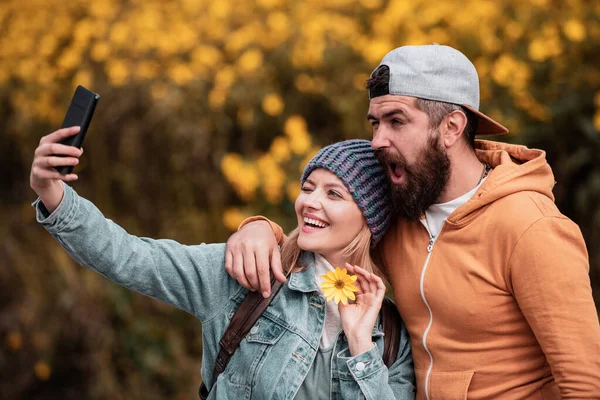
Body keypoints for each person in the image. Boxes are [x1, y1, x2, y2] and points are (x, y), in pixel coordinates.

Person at [224, 45, 600, 399]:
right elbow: (323, 228)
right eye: (375, 123)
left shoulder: (530, 228)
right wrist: (259, 228)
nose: (377, 140)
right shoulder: (401, 209)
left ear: (451, 127)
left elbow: (585, 383)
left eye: (396, 121)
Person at [30, 134, 416, 399]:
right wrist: (53, 194)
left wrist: (361, 345)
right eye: (308, 187)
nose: (310, 202)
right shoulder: (248, 274)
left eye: (334, 194)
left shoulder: (391, 334)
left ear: (369, 219)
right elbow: (131, 258)